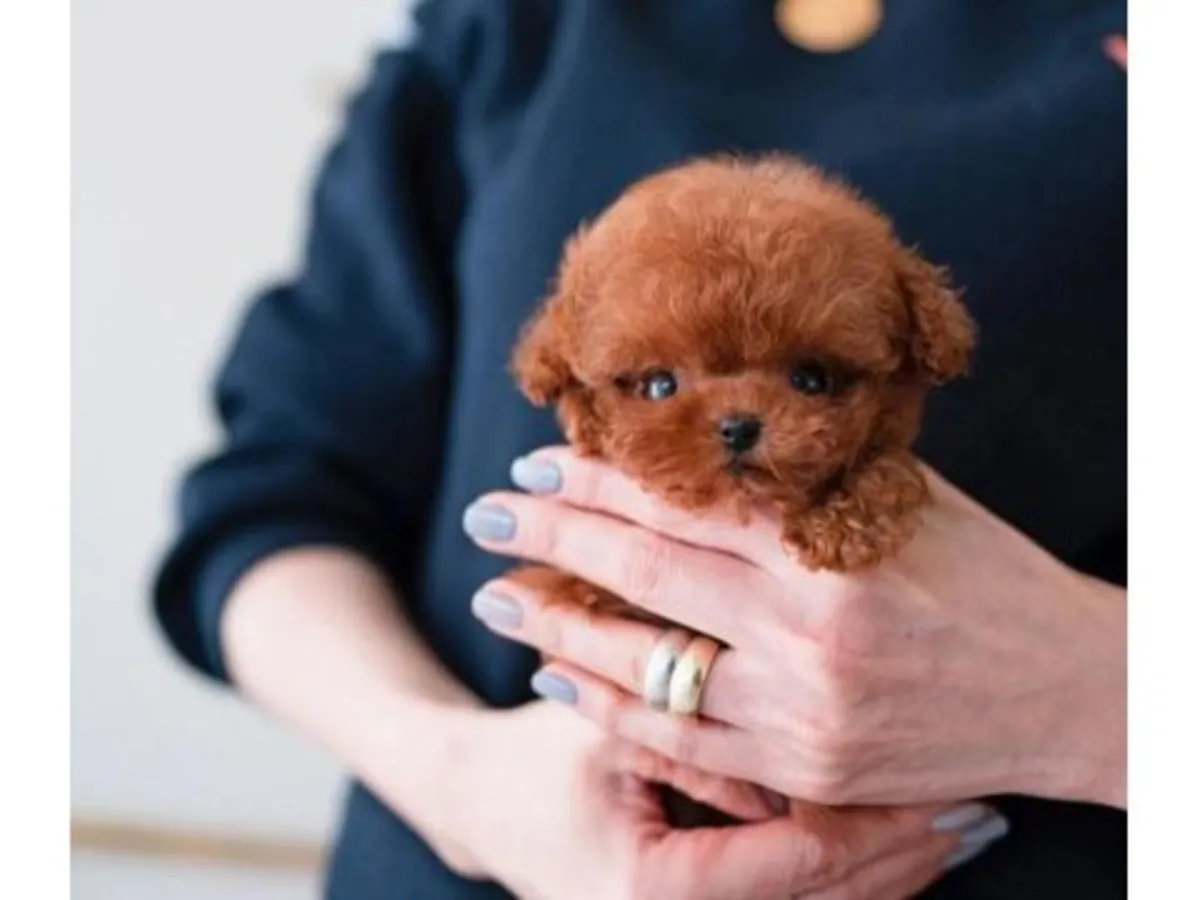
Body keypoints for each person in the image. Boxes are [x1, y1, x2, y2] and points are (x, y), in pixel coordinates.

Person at [152, 1, 1127, 897]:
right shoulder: (507, 21)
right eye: (657, 384)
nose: (736, 416)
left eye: (817, 378)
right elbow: (281, 488)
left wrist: (1106, 698)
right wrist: (456, 781)